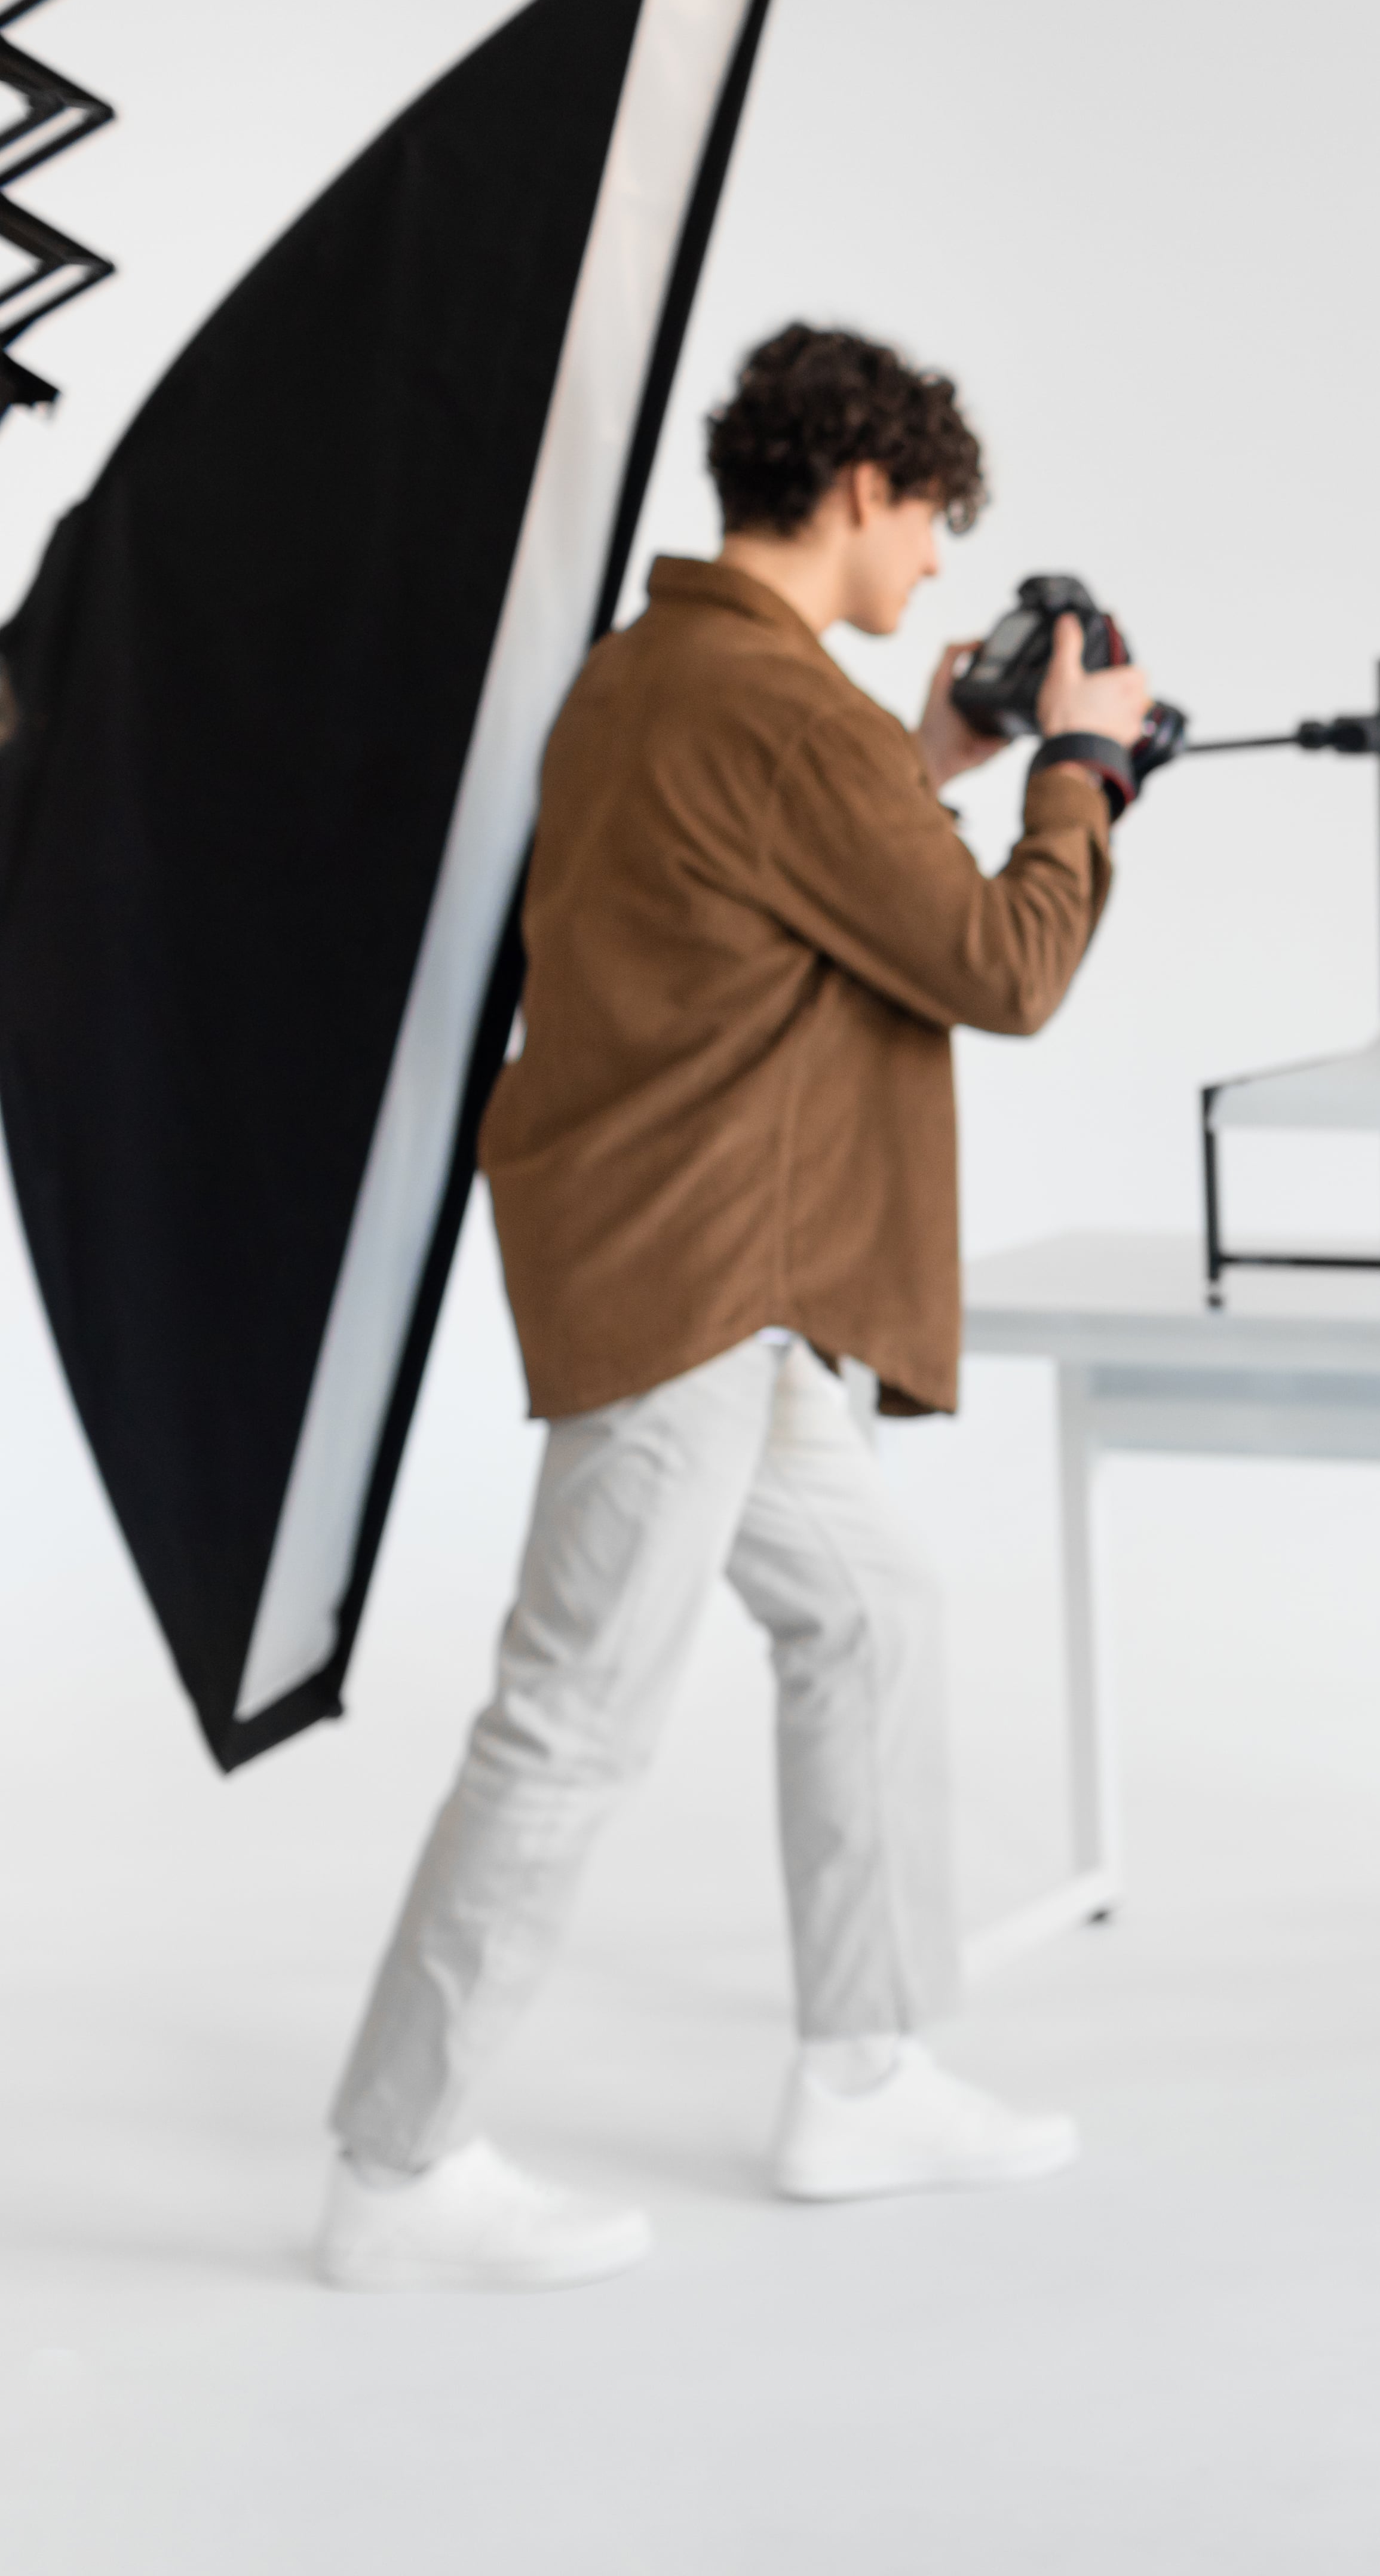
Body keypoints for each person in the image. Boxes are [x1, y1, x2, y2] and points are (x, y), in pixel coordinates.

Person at [317, 326, 1160, 2291]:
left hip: (719, 1265)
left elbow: (773, 893)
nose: (938, 565)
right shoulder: (778, 711)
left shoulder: (661, 672)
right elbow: (1002, 969)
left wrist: (933, 765)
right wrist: (1081, 774)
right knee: (570, 1722)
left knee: (870, 1614)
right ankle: (393, 2168)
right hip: (698, 1274)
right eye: (933, 520)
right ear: (862, 488)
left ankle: (863, 2073)